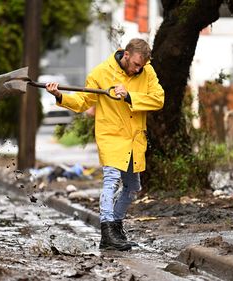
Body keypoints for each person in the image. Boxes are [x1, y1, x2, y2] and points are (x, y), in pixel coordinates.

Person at [46, 38, 164, 251]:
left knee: (132, 187)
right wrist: (59, 95)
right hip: (111, 137)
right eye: (136, 64)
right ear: (126, 55)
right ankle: (107, 231)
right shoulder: (101, 73)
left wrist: (129, 96)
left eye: (142, 66)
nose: (139, 70)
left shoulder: (147, 72)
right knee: (111, 181)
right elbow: (83, 102)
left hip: (134, 140)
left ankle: (116, 227)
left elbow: (158, 99)